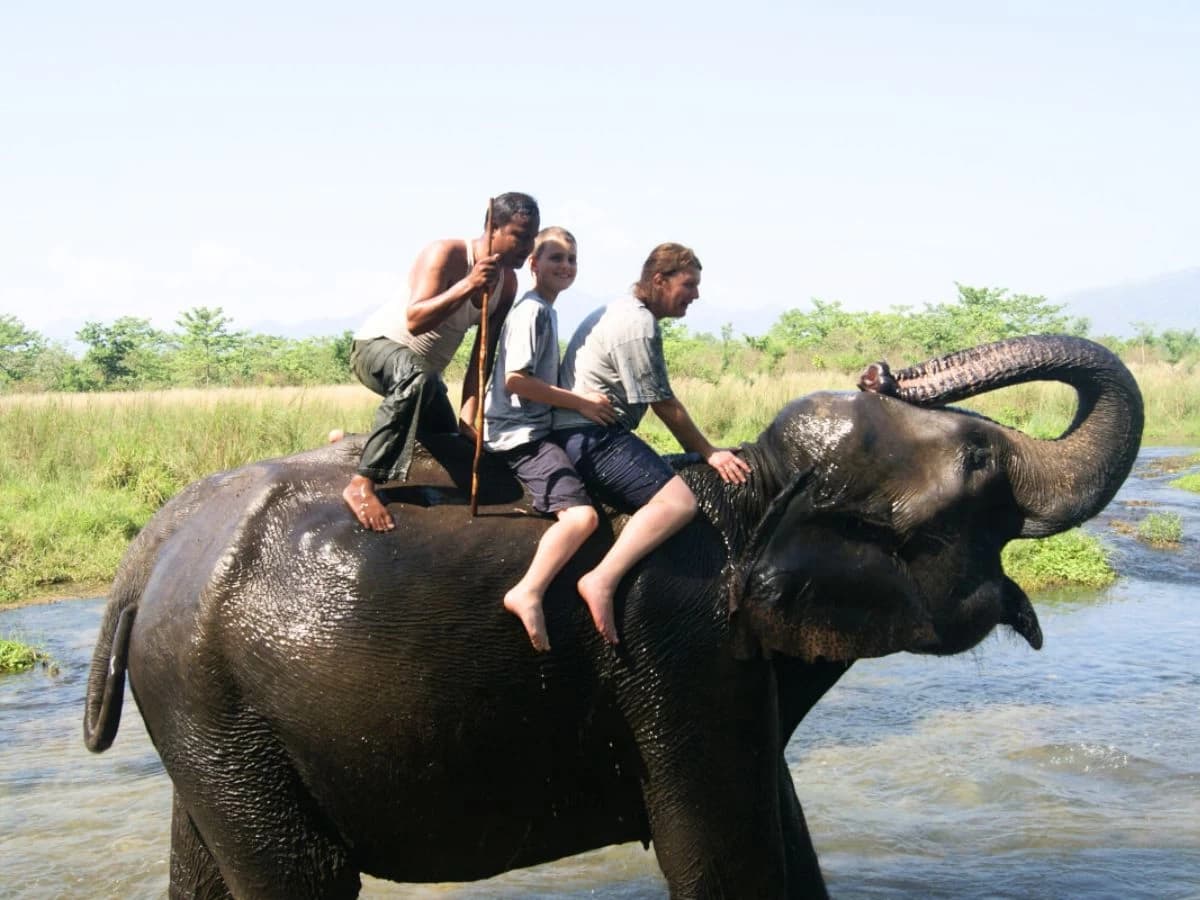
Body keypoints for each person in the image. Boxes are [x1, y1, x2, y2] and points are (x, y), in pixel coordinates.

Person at [552, 242, 751, 643]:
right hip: (589, 436)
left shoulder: (626, 311)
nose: (695, 294)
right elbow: (662, 401)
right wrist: (711, 452)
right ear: (659, 280)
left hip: (590, 430)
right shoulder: (636, 323)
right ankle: (602, 579)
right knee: (678, 503)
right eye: (689, 284)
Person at [344, 193, 540, 531]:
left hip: (424, 379)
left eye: (533, 237)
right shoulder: (447, 253)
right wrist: (469, 284)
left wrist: (469, 417)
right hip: (378, 348)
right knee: (417, 377)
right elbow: (416, 319)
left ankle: (350, 442)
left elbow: (484, 356)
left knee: (449, 440)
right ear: (493, 228)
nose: (528, 246)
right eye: (520, 236)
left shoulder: (507, 283)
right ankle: (361, 482)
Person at [483, 227, 617, 651]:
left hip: (535, 427)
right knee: (582, 518)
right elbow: (518, 382)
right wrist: (579, 402)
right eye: (555, 258)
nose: (565, 266)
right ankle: (529, 590)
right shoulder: (533, 312)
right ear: (533, 264)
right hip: (520, 435)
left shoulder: (547, 309)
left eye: (571, 259)